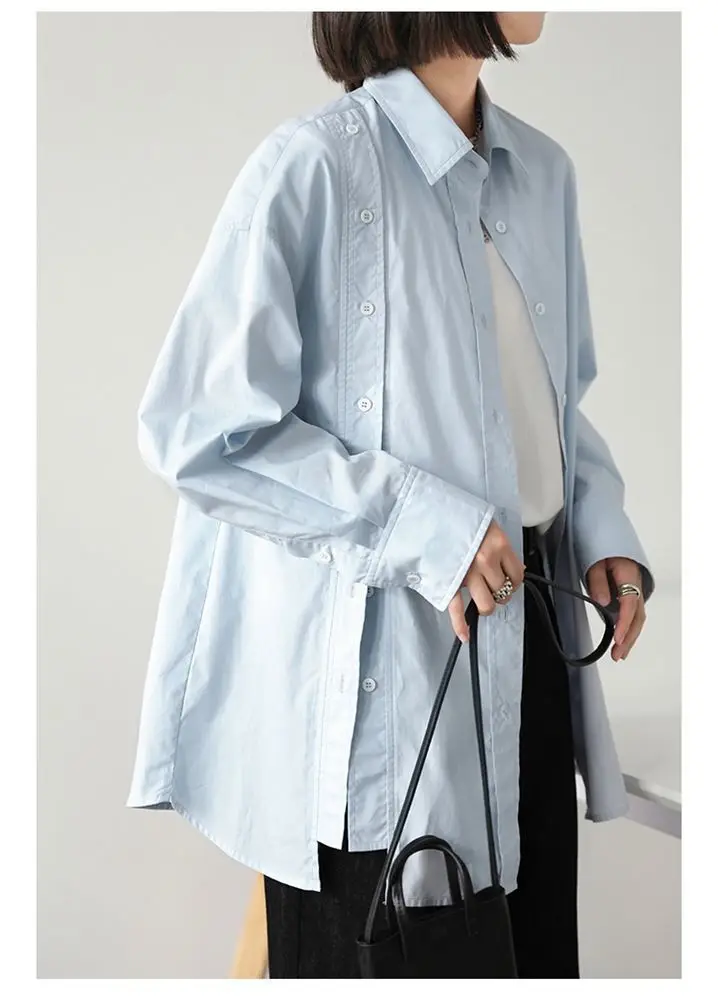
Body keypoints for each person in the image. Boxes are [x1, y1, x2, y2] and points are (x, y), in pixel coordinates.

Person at [126, 11, 653, 979]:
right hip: (383, 688)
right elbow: (202, 429)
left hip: (532, 651)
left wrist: (599, 530)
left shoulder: (544, 174)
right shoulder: (315, 168)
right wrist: (423, 526)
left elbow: (552, 407)